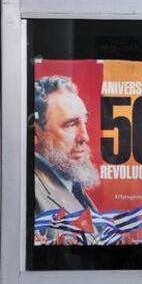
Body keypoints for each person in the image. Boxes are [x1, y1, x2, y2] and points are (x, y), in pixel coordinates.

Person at [34, 75, 100, 214]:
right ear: (37, 132)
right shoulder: (32, 192)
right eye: (70, 125)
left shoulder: (73, 188)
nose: (85, 137)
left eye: (84, 123)